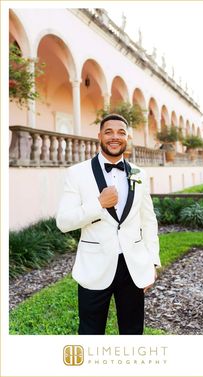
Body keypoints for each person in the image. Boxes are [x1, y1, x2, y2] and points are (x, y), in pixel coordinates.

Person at [56, 113, 161, 335]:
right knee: (90, 332)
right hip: (94, 266)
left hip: (133, 267)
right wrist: (98, 204)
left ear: (127, 137)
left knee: (133, 331)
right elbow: (63, 222)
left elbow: (149, 221)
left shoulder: (139, 173)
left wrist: (152, 262)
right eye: (109, 132)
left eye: (121, 132)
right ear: (99, 136)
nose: (115, 137)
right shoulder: (77, 173)